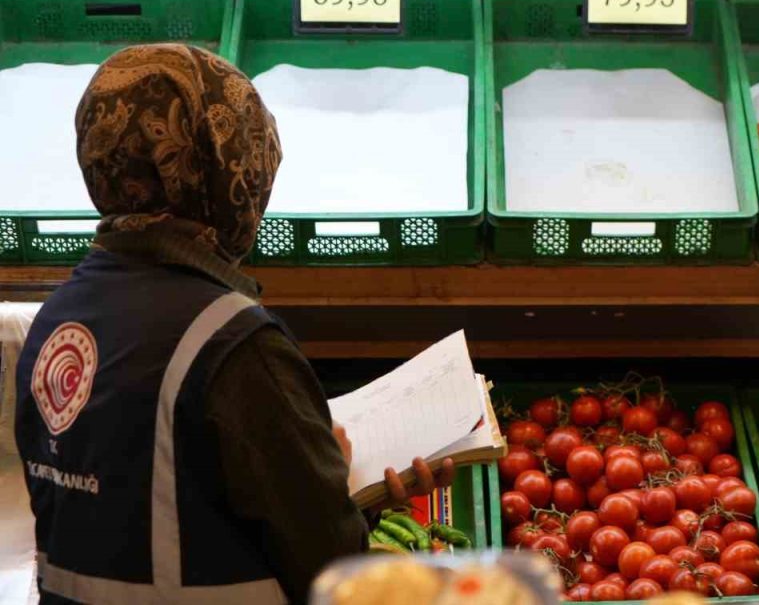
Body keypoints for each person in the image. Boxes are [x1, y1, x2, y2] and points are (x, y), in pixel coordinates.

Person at [15, 44, 453, 604]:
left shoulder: (52, 324)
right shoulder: (234, 345)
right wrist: (340, 486)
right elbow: (334, 571)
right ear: (228, 172)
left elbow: (154, 516)